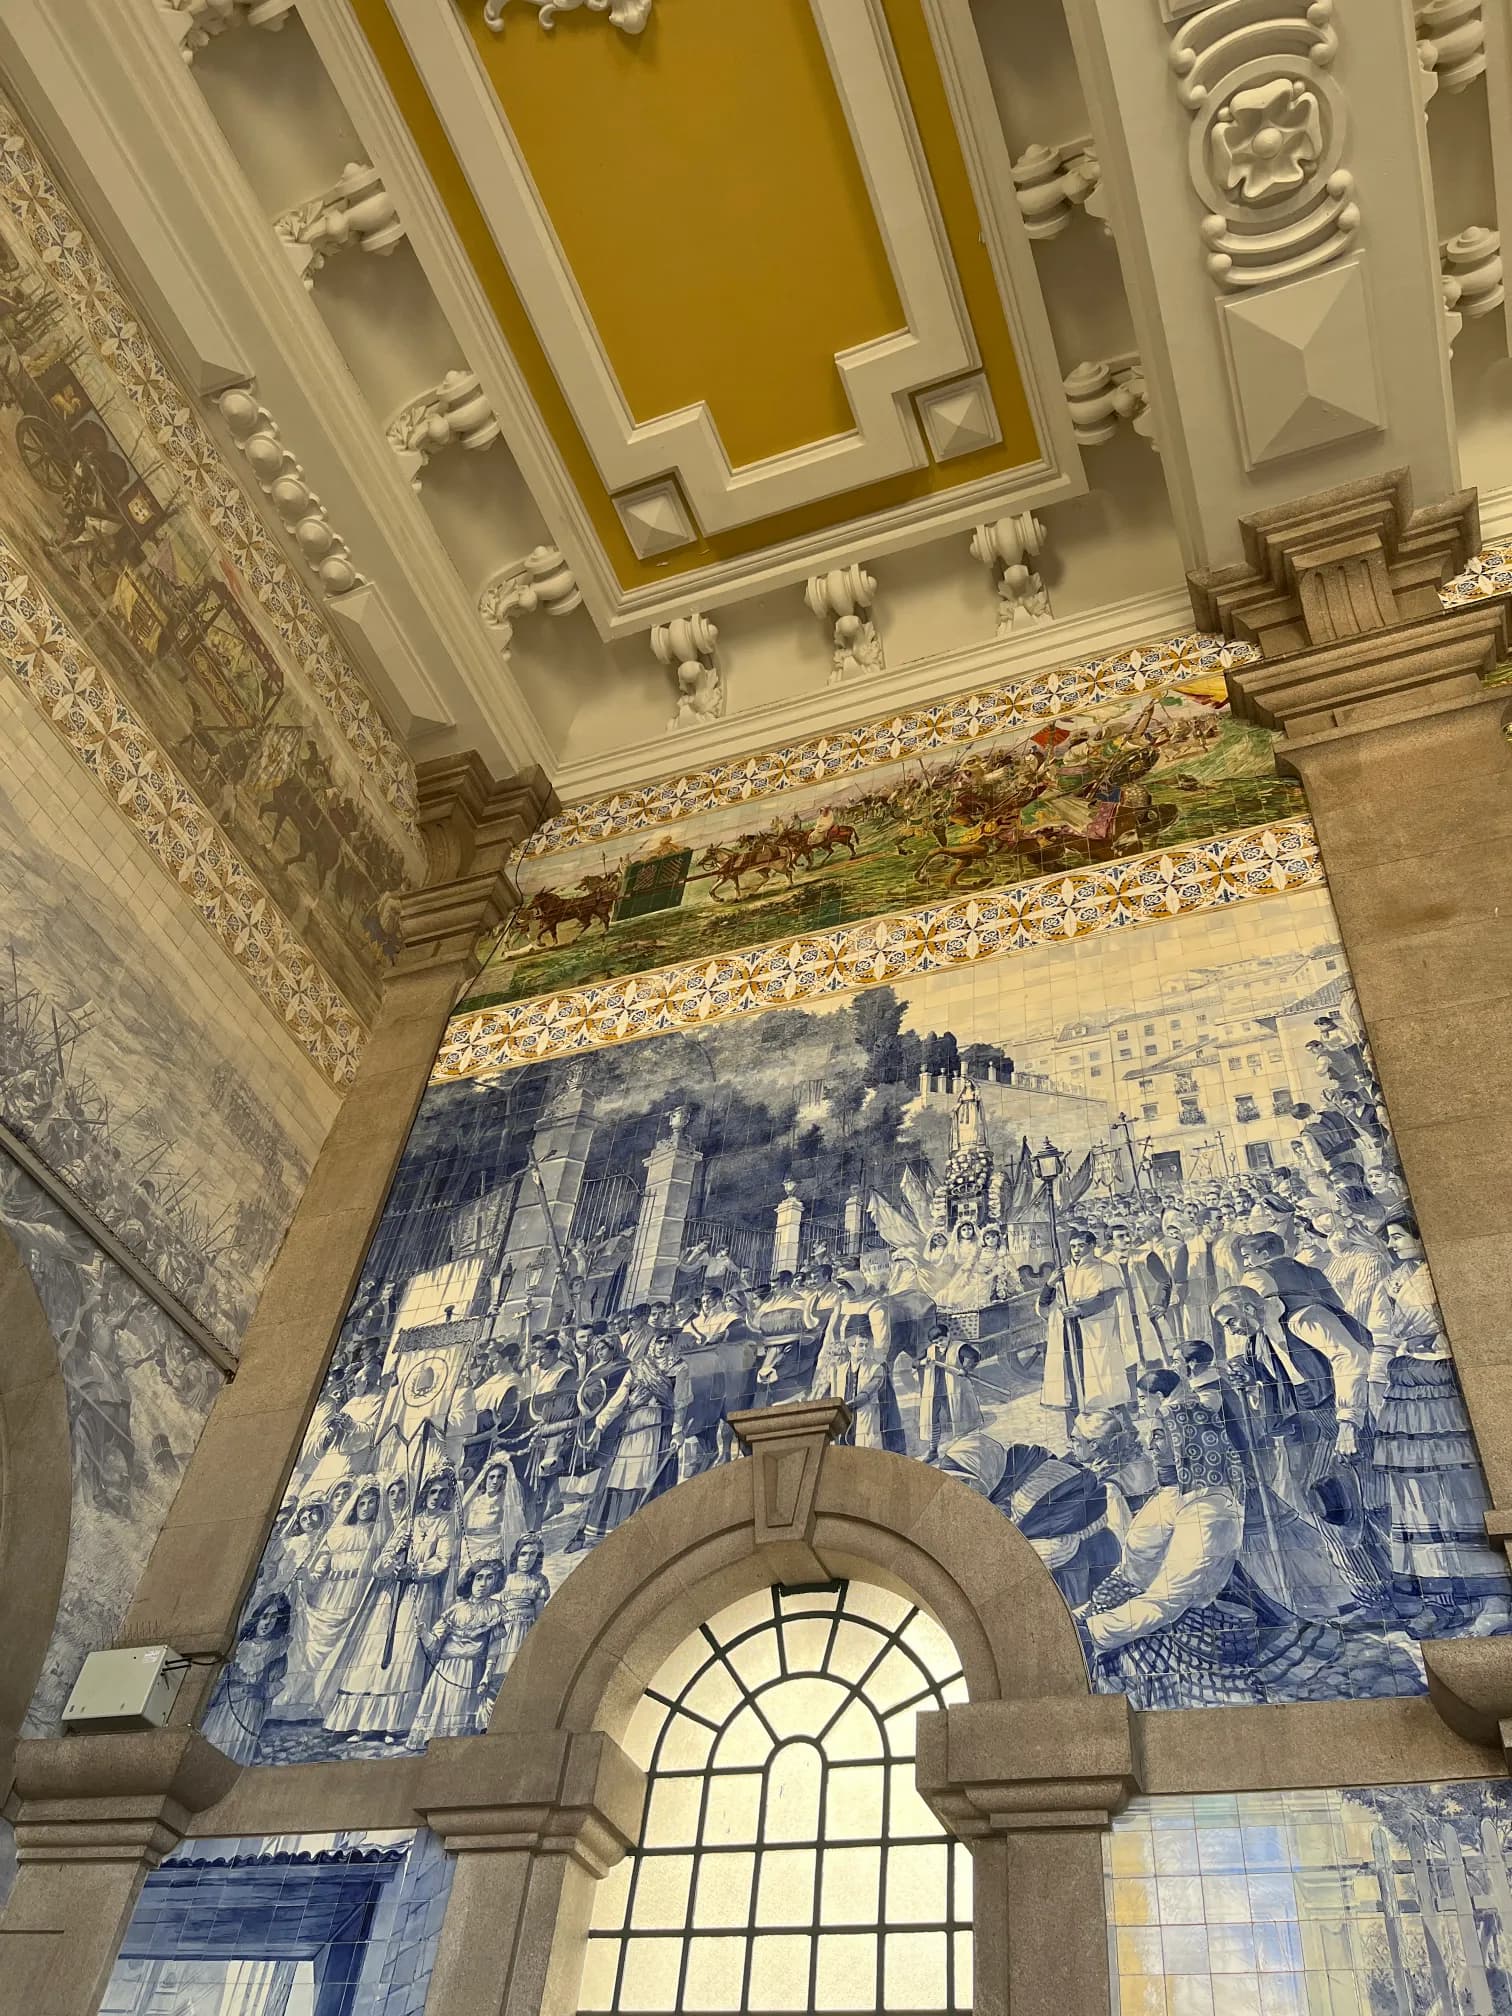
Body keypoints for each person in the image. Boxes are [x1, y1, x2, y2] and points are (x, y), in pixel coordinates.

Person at [1368, 1217, 1512, 1633]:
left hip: (1445, 1388)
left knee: (1461, 1493)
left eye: (1398, 1236)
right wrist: (1375, 1388)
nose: (1393, 1245)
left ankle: (1493, 1601)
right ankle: (1439, 1598)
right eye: (1389, 1240)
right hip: (1407, 1392)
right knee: (1417, 1497)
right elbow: (1383, 1338)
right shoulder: (1394, 1282)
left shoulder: (1446, 1269)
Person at [322, 1469, 459, 1744]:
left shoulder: (447, 1522)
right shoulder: (409, 1522)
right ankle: (360, 1722)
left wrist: (415, 1569)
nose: (437, 1497)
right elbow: (379, 1565)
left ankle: (393, 1723)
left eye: (443, 1493)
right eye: (433, 1491)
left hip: (419, 1594)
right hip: (390, 1595)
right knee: (372, 1655)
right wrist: (395, 1557)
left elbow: (443, 1560)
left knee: (403, 1654)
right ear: (425, 1492)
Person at [1039, 1225, 1138, 1418]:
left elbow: (1110, 1298)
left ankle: (1112, 1422)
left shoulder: (1104, 1269)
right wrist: (1050, 1284)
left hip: (1095, 1331)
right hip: (1067, 1331)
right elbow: (1045, 1305)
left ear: (1092, 1246)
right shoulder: (1063, 1272)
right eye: (1073, 1246)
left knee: (1101, 1382)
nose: (1076, 1250)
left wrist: (1081, 1309)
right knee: (1072, 1380)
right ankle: (1077, 1427)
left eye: (1081, 1245)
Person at [410, 1559, 509, 1744]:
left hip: (473, 1670)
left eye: (490, 1578)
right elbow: (433, 1644)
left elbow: (494, 1647)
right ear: (471, 1580)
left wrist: (487, 1675)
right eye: (479, 1578)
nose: (483, 1584)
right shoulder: (455, 1610)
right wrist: (424, 1634)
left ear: (496, 1582)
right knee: (442, 1710)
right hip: (447, 1670)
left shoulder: (496, 1609)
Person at [200, 1594, 291, 1765]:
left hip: (250, 1710)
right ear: (258, 1617)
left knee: (234, 1757)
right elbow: (221, 1680)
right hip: (224, 1707)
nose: (267, 1623)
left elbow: (273, 1687)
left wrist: (260, 1692)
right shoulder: (240, 1646)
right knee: (210, 1748)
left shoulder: (276, 1650)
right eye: (265, 1616)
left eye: (274, 1618)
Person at [484, 1534, 552, 1697]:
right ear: (517, 1554)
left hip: (525, 1630)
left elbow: (540, 1614)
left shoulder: (539, 1581)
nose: (527, 1559)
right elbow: (492, 1607)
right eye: (524, 1553)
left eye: (532, 1554)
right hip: (504, 1630)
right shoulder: (505, 1580)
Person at [918, 1323, 983, 1459]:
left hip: (953, 1390)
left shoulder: (958, 1347)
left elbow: (975, 1356)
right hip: (934, 1391)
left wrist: (965, 1369)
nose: (939, 1344)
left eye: (941, 1340)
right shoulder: (930, 1350)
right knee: (932, 1419)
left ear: (948, 1335)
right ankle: (933, 1450)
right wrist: (922, 1362)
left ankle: (962, 1451)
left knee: (957, 1419)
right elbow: (915, 1362)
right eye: (936, 1342)